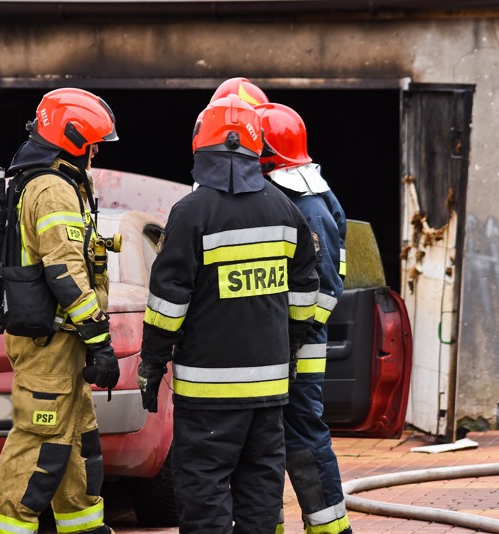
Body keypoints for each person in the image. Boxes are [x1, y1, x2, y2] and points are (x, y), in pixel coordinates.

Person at [135, 94, 320, 533]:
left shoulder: (190, 214)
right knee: (260, 492)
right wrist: (289, 348)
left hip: (208, 395)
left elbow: (167, 304)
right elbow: (306, 293)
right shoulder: (285, 210)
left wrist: (151, 363)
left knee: (204, 493)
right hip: (270, 391)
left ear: (201, 147)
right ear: (256, 148)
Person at [0, 88, 120, 534]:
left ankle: (84, 527)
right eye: (93, 143)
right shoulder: (52, 188)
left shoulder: (55, 182)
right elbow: (64, 271)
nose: (96, 152)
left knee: (78, 445)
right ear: (74, 138)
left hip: (64, 343)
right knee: (38, 449)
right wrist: (99, 337)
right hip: (51, 344)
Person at [256, 102, 351, 534]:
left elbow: (326, 288)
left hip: (297, 350)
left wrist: (292, 339)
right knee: (264, 442)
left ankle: (330, 529)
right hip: (277, 344)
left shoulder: (309, 205)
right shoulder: (296, 196)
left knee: (302, 438)